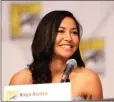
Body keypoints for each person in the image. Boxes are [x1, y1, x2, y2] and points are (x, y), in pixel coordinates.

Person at [9, 10, 103, 100]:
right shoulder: (20, 80)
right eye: (61, 31)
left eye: (74, 32)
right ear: (45, 35)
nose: (69, 38)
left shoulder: (89, 79)